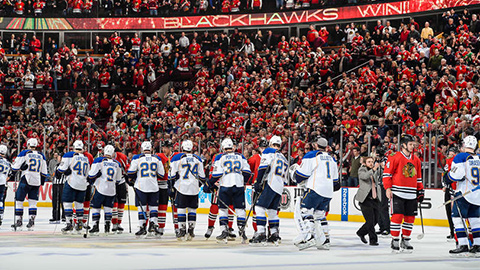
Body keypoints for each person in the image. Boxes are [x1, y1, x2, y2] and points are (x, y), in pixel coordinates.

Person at [294, 138, 340, 250]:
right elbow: (336, 182)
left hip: (315, 188)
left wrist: (295, 174)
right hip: (328, 192)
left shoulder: (311, 155)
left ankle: (309, 237)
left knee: (306, 211)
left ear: (315, 145)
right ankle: (326, 240)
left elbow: (301, 176)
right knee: (320, 215)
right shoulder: (332, 159)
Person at [204, 138, 251, 243]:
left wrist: (209, 184)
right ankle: (242, 231)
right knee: (240, 209)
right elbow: (247, 172)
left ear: (223, 147)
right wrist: (243, 182)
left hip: (225, 185)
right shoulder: (241, 156)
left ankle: (224, 230)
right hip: (238, 185)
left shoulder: (220, 157)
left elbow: (216, 174)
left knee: (222, 209)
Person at [383, 134, 424, 252]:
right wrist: (388, 188)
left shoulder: (416, 160)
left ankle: (405, 239)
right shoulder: (394, 157)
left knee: (410, 218)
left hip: (411, 193)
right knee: (397, 216)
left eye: (414, 144)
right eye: (410, 144)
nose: (413, 147)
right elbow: (387, 174)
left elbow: (418, 177)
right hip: (397, 192)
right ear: (404, 145)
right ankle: (395, 239)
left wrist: (420, 190)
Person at [446, 136, 480, 256]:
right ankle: (477, 244)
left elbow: (456, 176)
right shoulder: (479, 157)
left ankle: (463, 244)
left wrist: (447, 178)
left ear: (465, 144)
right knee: (475, 220)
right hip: (477, 195)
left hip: (464, 194)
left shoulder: (461, 157)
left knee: (457, 218)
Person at [250, 135, 287, 245]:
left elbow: (262, 168)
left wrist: (258, 182)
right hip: (279, 187)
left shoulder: (269, 151)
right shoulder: (283, 157)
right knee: (272, 211)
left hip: (271, 183)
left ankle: (261, 233)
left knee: (259, 207)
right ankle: (274, 233)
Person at [168, 140, 206, 241]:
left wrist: (170, 186)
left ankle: (182, 230)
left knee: (181, 208)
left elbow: (171, 175)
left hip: (182, 187)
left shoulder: (177, 158)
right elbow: (202, 176)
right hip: (194, 188)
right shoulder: (198, 158)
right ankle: (191, 230)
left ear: (182, 148)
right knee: (192, 209)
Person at [127, 141, 165, 237]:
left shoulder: (137, 158)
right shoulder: (157, 158)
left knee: (142, 208)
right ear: (151, 149)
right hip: (154, 186)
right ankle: (153, 225)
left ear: (142, 149)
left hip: (141, 186)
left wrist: (133, 178)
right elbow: (161, 174)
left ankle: (142, 227)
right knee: (153, 207)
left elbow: (130, 173)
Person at [11, 138, 48, 231]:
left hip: (25, 179)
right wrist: (42, 182)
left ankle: (19, 221)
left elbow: (15, 167)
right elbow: (44, 172)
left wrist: (17, 170)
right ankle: (31, 221)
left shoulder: (25, 153)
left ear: (28, 144)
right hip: (36, 180)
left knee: (19, 201)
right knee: (33, 203)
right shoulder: (41, 155)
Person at [87, 145, 123, 235]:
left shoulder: (99, 160)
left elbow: (91, 175)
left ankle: (95, 226)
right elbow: (118, 180)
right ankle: (107, 227)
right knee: (108, 208)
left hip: (100, 188)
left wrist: (95, 176)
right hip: (111, 190)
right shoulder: (117, 163)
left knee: (96, 207)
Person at [57, 140, 91, 234]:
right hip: (83, 184)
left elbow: (62, 169)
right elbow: (88, 173)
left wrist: (59, 172)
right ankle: (79, 223)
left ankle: (69, 223)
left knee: (67, 202)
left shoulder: (69, 155)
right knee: (79, 204)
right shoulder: (86, 158)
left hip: (72, 182)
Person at [355, 156, 382, 246]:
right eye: (369, 162)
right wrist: (374, 169)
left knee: (376, 220)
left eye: (372, 162)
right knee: (370, 221)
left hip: (375, 198)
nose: (371, 163)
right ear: (365, 163)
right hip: (365, 199)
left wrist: (381, 167)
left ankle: (361, 232)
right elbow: (365, 177)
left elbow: (380, 177)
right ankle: (373, 240)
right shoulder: (362, 170)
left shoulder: (375, 170)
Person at [157, 140, 177, 235]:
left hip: (174, 184)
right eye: (163, 147)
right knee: (162, 207)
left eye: (166, 148)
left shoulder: (176, 157)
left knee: (176, 206)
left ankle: (178, 227)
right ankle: (160, 227)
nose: (164, 149)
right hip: (163, 185)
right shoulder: (159, 157)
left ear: (170, 148)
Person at [443, 147, 458, 241]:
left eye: (452, 154)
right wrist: (444, 185)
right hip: (448, 189)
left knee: (455, 212)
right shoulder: (447, 162)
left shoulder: (457, 162)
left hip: (455, 189)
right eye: (449, 154)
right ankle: (452, 231)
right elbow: (444, 175)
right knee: (448, 211)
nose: (450, 156)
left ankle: (457, 232)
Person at [112, 150, 128, 234]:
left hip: (121, 181)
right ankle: (114, 223)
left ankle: (119, 222)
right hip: (111, 183)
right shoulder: (104, 158)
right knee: (114, 202)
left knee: (121, 202)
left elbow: (126, 168)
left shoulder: (122, 157)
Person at [0, 145, 11, 227]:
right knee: (1, 200)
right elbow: (10, 174)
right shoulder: (7, 162)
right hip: (3, 182)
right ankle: (1, 216)